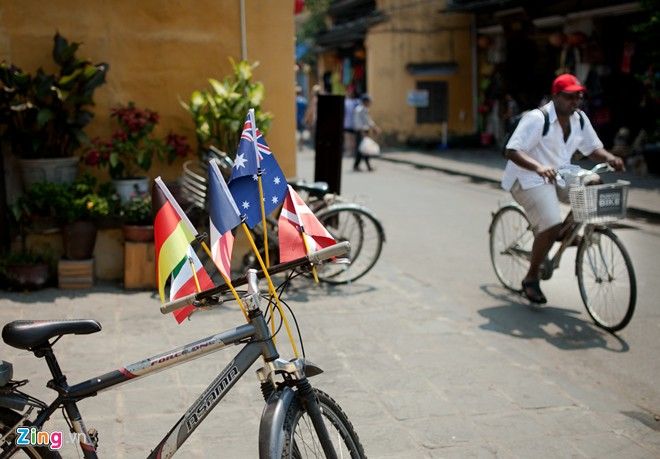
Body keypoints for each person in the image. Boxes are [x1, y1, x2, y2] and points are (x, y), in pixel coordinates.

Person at [502, 73, 624, 304]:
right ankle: (531, 278)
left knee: (593, 182)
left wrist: (611, 158)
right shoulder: (537, 119)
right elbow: (512, 150)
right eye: (569, 97)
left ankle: (563, 232)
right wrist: (538, 167)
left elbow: (593, 148)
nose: (575, 102)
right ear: (556, 96)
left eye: (578, 97)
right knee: (550, 223)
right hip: (528, 178)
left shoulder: (579, 119)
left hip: (559, 174)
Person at [353, 93, 380, 172]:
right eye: (369, 101)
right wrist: (363, 131)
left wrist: (374, 127)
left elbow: (367, 120)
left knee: (363, 149)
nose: (370, 103)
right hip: (361, 131)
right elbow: (361, 122)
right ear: (365, 101)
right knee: (363, 149)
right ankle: (365, 166)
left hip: (363, 131)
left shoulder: (363, 109)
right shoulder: (360, 110)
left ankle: (358, 165)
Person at [343, 87, 359, 156]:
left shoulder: (345, 102)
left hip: (347, 123)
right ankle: (353, 151)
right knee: (353, 139)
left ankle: (349, 152)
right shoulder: (357, 102)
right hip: (354, 123)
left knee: (348, 139)